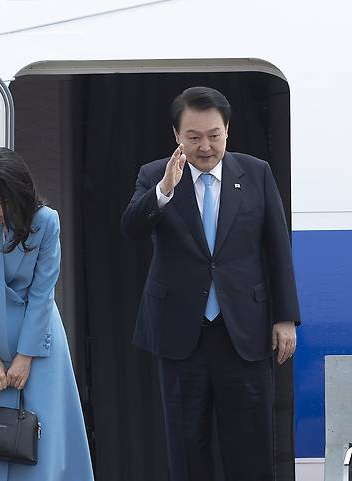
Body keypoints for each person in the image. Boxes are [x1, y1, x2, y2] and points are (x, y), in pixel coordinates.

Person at [121, 86, 301, 481]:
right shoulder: (155, 175)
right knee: (187, 444)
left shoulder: (255, 172)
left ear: (227, 130)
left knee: (250, 443)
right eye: (194, 137)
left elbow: (276, 247)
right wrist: (165, 191)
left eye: (213, 135)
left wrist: (286, 317)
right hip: (181, 331)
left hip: (244, 328)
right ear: (176, 136)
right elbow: (132, 228)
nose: (205, 147)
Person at [0, 147, 93, 481]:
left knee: (43, 432)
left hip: (37, 334)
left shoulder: (45, 222)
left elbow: (43, 292)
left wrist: (26, 355)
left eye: (2, 202)